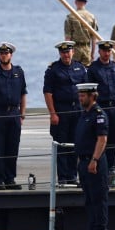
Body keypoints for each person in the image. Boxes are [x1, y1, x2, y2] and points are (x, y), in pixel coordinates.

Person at [0, 42, 27, 190]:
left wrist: (22, 114)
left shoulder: (18, 72)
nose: (4, 55)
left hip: (14, 113)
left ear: (11, 55)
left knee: (13, 148)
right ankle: (0, 179)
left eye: (6, 53)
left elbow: (23, 94)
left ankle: (10, 178)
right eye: (1, 53)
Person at [44, 40, 87, 187]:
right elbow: (48, 93)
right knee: (62, 144)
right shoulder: (53, 70)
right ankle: (62, 177)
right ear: (59, 53)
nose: (66, 54)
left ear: (73, 52)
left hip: (77, 111)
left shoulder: (80, 68)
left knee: (76, 144)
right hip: (61, 111)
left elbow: (86, 90)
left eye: (68, 52)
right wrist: (53, 113)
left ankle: (72, 176)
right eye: (63, 52)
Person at [87, 40, 115, 179]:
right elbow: (90, 92)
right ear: (99, 51)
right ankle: (101, 164)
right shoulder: (93, 69)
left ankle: (111, 165)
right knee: (101, 137)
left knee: (114, 138)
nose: (106, 53)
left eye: (109, 51)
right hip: (101, 107)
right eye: (104, 51)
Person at [74, 82, 109, 230]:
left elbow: (102, 139)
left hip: (94, 163)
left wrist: (94, 160)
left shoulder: (99, 114)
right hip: (83, 162)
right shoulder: (84, 114)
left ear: (92, 96)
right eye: (79, 95)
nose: (80, 98)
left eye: (83, 96)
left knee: (98, 200)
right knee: (89, 201)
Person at [64, 0, 98, 66]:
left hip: (74, 49)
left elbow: (68, 38)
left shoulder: (70, 17)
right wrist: (92, 53)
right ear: (85, 3)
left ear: (75, 2)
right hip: (87, 48)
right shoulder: (92, 17)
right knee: (87, 72)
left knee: (74, 71)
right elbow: (94, 38)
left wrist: (66, 53)